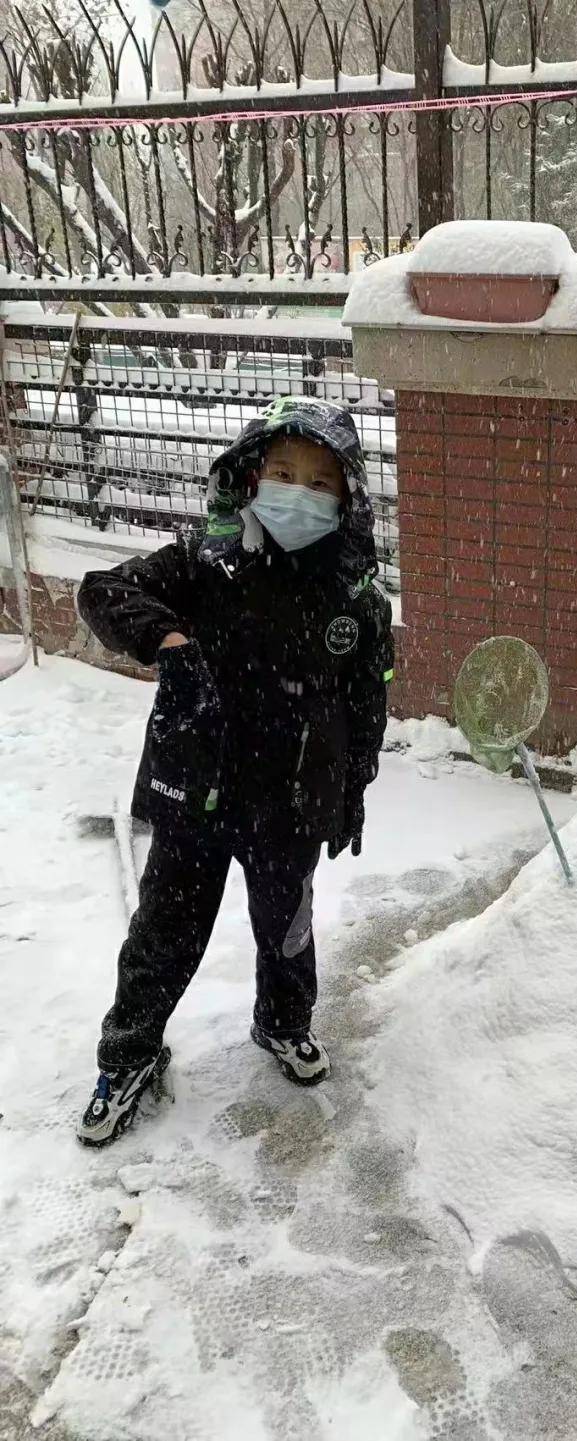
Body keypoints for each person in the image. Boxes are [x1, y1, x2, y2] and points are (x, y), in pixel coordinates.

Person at [74, 397, 394, 1146]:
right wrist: (171, 641)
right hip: (198, 797)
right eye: (283, 472)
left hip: (290, 806)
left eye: (320, 482)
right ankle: (129, 1056)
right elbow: (102, 591)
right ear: (249, 478)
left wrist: (350, 796)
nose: (299, 492)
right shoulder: (204, 562)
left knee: (287, 933)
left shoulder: (354, 600)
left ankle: (282, 1024)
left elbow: (365, 712)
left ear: (346, 498)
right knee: (163, 933)